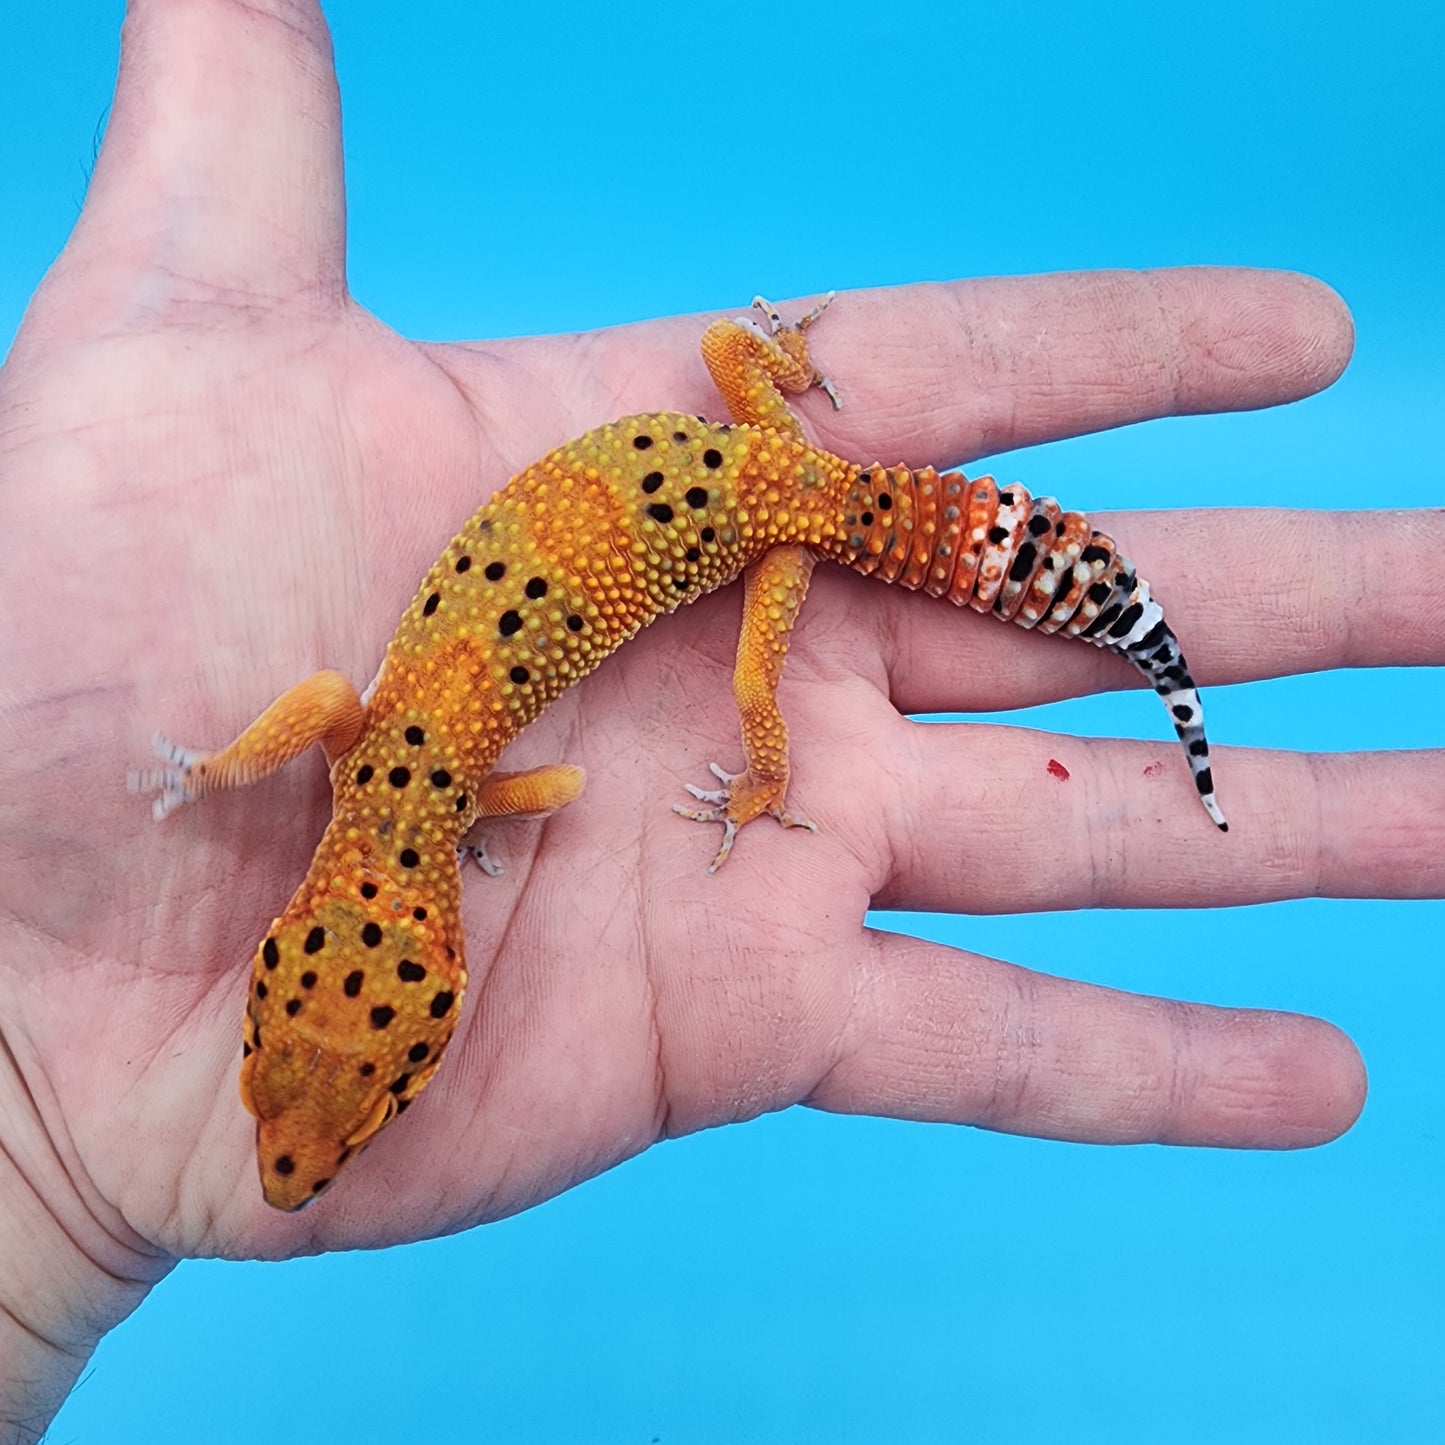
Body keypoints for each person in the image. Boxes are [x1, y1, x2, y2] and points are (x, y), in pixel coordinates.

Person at [3, 3, 1439, 1439]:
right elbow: (425, 743)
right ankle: (1044, 588)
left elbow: (538, 784)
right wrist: (235, 768)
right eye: (337, 1107)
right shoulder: (375, 764)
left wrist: (223, 781)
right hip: (748, 441)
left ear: (307, 951)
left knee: (765, 694)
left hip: (772, 523)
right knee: (736, 390)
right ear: (394, 967)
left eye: (313, 1095)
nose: (292, 1154)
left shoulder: (419, 797)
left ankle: (854, 744)